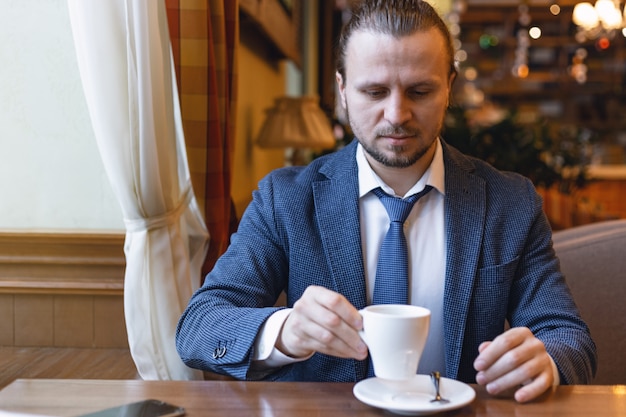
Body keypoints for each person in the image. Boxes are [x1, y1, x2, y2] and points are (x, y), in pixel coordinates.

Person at [176, 0, 596, 403]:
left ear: (448, 87)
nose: (396, 114)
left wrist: (547, 360)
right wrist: (286, 331)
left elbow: (567, 336)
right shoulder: (284, 199)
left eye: (419, 91)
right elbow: (199, 327)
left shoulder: (510, 203)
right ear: (342, 90)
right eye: (375, 91)